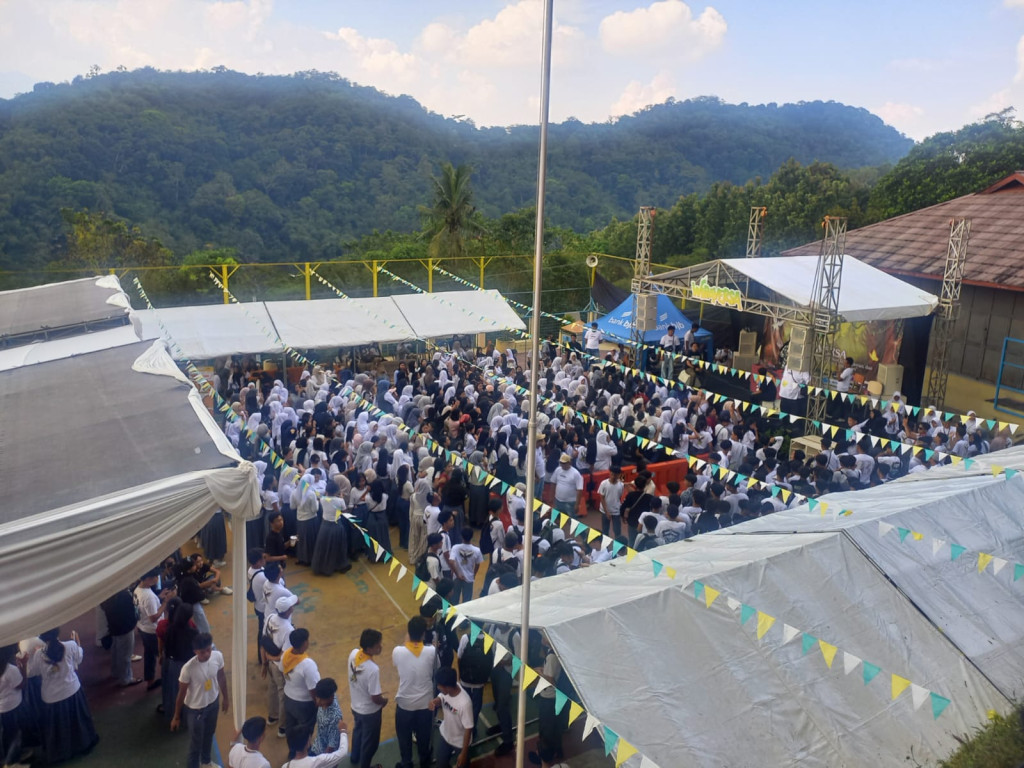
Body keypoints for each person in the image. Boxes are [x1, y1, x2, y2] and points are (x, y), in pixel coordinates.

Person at [27, 628, 99, 764]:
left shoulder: (38, 655)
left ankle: (60, 752)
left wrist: (27, 659)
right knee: (77, 721)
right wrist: (77, 642)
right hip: (72, 690)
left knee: (57, 727)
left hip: (51, 697)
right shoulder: (70, 646)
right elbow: (79, 658)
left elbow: (32, 673)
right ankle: (83, 744)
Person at [171, 632, 229, 768]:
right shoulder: (188, 669)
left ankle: (206, 762)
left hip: (213, 704)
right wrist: (176, 716)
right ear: (195, 651)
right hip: (196, 710)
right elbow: (181, 694)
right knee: (195, 744)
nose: (207, 654)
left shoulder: (217, 656)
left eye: (209, 650)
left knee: (209, 735)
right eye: (202, 652)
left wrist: (226, 698)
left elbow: (221, 677)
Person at [391, 617, 437, 768]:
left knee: (404, 737)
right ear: (424, 634)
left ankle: (407, 763)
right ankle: (425, 762)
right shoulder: (432, 651)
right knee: (424, 737)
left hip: (405, 704)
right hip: (425, 704)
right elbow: (436, 668)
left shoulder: (397, 651)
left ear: (408, 633)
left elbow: (398, 661)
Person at [347, 629, 388, 768]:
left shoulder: (353, 654)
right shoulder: (372, 669)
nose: (381, 647)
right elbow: (375, 697)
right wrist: (384, 701)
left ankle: (354, 757)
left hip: (355, 706)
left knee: (358, 731)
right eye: (378, 645)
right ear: (369, 649)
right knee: (369, 743)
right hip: (370, 712)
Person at [135, 568, 176, 691]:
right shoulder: (148, 596)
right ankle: (168, 680)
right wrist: (166, 602)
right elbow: (153, 617)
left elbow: (146, 606)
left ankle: (150, 680)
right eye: (155, 577)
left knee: (149, 655)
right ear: (148, 579)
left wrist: (159, 597)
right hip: (152, 631)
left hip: (142, 627)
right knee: (164, 655)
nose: (157, 579)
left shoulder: (138, 589)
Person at [282, 629, 321, 756]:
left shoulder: (286, 655)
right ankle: (304, 754)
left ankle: (292, 751)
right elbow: (313, 688)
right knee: (304, 730)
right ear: (304, 643)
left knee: (290, 727)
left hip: (288, 698)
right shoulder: (307, 664)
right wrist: (317, 703)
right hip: (304, 703)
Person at [428, 667, 474, 768]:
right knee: (441, 763)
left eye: (439, 685)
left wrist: (464, 753)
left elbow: (468, 728)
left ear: (448, 687)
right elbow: (442, 696)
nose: (438, 687)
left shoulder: (465, 703)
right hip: (446, 735)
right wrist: (437, 700)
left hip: (460, 742)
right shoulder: (450, 689)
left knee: (463, 765)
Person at [101, 586, 141, 687]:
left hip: (113, 627)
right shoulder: (125, 595)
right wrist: (133, 623)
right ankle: (126, 678)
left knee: (115, 651)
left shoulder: (107, 594)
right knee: (125, 655)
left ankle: (115, 672)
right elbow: (132, 611)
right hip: (125, 628)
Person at [311, 481, 352, 576]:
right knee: (339, 547)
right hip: (336, 526)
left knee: (323, 547)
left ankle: (321, 567)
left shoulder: (323, 499)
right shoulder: (340, 501)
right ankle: (340, 565)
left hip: (325, 526)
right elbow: (344, 511)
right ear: (336, 491)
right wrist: (341, 497)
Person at [0, 644, 29, 768]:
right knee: (16, 735)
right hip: (13, 707)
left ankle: (11, 758)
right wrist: (24, 665)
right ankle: (10, 763)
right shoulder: (9, 670)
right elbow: (22, 685)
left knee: (6, 735)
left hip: (2, 709)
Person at [282, 717, 349, 768]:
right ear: (307, 743)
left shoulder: (285, 766)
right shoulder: (318, 761)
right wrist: (343, 731)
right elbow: (343, 752)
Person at [310, 678, 343, 757]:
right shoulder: (326, 697)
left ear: (331, 697)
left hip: (325, 754)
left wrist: (323, 759)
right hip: (317, 746)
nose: (318, 701)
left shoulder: (335, 717)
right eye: (317, 697)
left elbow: (331, 745)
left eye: (321, 700)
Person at [448, 528, 483, 604]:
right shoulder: (477, 550)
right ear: (472, 537)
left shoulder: (455, 547)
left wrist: (457, 574)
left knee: (454, 600)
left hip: (456, 577)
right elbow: (477, 564)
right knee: (467, 601)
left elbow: (451, 561)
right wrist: (474, 574)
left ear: (461, 536)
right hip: (469, 578)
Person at [551, 454, 583, 518]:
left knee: (572, 520)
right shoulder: (558, 470)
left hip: (570, 502)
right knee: (556, 518)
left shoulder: (576, 473)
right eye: (561, 463)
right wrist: (552, 497)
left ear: (569, 463)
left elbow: (579, 490)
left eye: (564, 463)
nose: (562, 465)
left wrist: (577, 504)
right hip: (558, 500)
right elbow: (553, 483)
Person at [597, 465, 624, 539]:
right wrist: (607, 512)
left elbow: (619, 497)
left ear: (619, 475)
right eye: (612, 474)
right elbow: (602, 498)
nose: (613, 476)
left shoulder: (621, 485)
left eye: (616, 475)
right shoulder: (603, 484)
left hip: (616, 511)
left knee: (617, 530)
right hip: (605, 511)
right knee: (605, 530)